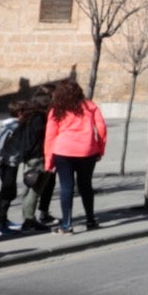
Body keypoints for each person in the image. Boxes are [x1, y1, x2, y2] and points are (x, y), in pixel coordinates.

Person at [44, 80, 107, 232]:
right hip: (87, 150)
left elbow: (50, 136)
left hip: (63, 150)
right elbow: (102, 128)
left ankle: (66, 224)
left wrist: (48, 160)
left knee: (66, 187)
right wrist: (100, 149)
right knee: (86, 186)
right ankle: (91, 220)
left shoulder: (56, 109)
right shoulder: (90, 106)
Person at [15, 89, 55, 232]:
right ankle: (29, 220)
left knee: (29, 188)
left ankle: (28, 218)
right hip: (38, 156)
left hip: (29, 156)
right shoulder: (39, 118)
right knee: (35, 189)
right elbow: (43, 137)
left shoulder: (28, 116)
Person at [0, 100, 25, 224]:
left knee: (10, 191)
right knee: (7, 192)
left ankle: (3, 218)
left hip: (12, 161)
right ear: (20, 113)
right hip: (7, 162)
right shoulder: (13, 126)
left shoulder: (15, 125)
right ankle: (0, 221)